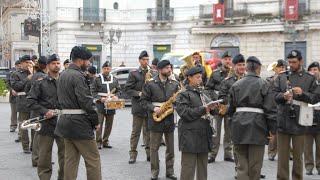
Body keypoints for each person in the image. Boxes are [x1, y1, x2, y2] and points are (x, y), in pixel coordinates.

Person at [55, 46, 101, 180]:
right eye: (88, 61)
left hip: (65, 122)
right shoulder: (78, 76)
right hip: (79, 123)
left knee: (71, 160)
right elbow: (86, 102)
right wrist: (96, 121)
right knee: (93, 159)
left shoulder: (63, 74)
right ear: (81, 61)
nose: (89, 64)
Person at [228, 56, 277, 180]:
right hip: (257, 127)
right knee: (255, 165)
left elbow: (230, 110)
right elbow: (270, 110)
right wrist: (273, 130)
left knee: (241, 165)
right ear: (258, 69)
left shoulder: (236, 84)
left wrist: (231, 127)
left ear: (247, 68)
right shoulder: (264, 84)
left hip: (238, 126)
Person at [274, 50, 318, 180]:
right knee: (282, 156)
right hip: (284, 119)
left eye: (294, 62)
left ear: (301, 61)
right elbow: (274, 95)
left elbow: (316, 98)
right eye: (289, 62)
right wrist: (283, 96)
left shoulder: (309, 78)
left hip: (300, 120)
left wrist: (303, 93)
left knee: (298, 156)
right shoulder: (282, 76)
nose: (291, 65)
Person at [175, 66, 218, 180]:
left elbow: (212, 110)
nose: (200, 79)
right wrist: (204, 109)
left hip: (204, 132)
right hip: (189, 134)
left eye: (201, 77)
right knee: (188, 168)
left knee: (203, 167)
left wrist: (213, 107)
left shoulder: (203, 92)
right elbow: (185, 113)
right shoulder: (183, 94)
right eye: (197, 77)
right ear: (189, 77)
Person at [27, 54, 65, 180]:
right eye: (53, 63)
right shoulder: (40, 83)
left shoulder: (65, 82)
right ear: (48, 66)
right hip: (45, 124)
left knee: (65, 156)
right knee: (44, 156)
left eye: (58, 63)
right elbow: (31, 101)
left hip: (63, 124)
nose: (56, 65)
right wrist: (44, 111)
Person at [140, 60, 180, 180]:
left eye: (170, 68)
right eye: (167, 68)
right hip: (155, 118)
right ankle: (154, 172)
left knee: (170, 149)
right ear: (160, 70)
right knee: (154, 148)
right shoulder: (150, 84)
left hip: (169, 117)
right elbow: (143, 101)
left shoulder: (174, 84)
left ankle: (170, 172)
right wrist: (153, 108)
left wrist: (176, 104)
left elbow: (178, 100)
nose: (170, 70)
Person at [125, 50, 156, 164]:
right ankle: (132, 154)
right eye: (144, 60)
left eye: (147, 59)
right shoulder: (134, 74)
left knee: (148, 132)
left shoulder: (153, 73)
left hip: (149, 107)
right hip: (138, 107)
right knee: (136, 132)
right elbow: (127, 89)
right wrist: (139, 93)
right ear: (139, 60)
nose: (146, 61)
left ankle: (149, 154)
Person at [205, 51, 233, 163]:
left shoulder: (233, 74)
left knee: (229, 132)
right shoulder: (215, 73)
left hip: (229, 106)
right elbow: (208, 89)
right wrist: (216, 99)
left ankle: (228, 154)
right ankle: (212, 154)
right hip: (218, 106)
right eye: (226, 59)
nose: (228, 61)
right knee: (215, 132)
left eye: (229, 59)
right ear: (221, 60)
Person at [92, 61, 121, 149]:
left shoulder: (115, 79)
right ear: (102, 69)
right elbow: (93, 91)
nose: (106, 70)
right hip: (100, 104)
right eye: (105, 68)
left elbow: (119, 90)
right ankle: (98, 141)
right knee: (99, 123)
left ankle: (105, 140)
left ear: (110, 69)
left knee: (109, 124)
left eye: (108, 68)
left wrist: (116, 96)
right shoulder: (97, 79)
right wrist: (100, 98)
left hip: (111, 104)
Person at [10, 55, 34, 154]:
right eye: (27, 62)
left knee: (35, 126)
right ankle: (25, 146)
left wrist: (33, 74)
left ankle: (34, 147)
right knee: (24, 126)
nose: (29, 64)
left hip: (34, 102)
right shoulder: (16, 74)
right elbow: (16, 86)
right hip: (23, 101)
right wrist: (27, 79)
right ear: (22, 63)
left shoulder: (34, 72)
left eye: (30, 62)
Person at [265, 59, 285, 161]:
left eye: (282, 67)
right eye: (279, 67)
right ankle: (271, 153)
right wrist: (276, 80)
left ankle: (288, 152)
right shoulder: (269, 79)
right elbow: (268, 89)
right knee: (273, 132)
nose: (281, 69)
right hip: (273, 107)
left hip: (284, 108)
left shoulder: (287, 78)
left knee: (286, 132)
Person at [30, 55, 48, 167]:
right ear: (46, 65)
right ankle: (37, 159)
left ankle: (38, 158)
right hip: (40, 109)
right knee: (39, 136)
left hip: (36, 109)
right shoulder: (41, 76)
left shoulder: (36, 74)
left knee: (37, 136)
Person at [304, 61, 320, 175]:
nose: (313, 72)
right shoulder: (306, 83)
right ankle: (308, 167)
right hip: (308, 114)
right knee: (307, 144)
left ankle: (319, 166)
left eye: (315, 69)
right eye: (311, 70)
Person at [7, 60, 20, 133]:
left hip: (21, 96)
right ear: (15, 66)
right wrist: (11, 90)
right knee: (14, 112)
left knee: (22, 113)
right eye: (17, 66)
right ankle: (13, 126)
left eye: (20, 65)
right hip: (13, 96)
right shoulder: (11, 73)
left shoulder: (24, 73)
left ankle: (21, 127)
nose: (19, 67)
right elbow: (7, 83)